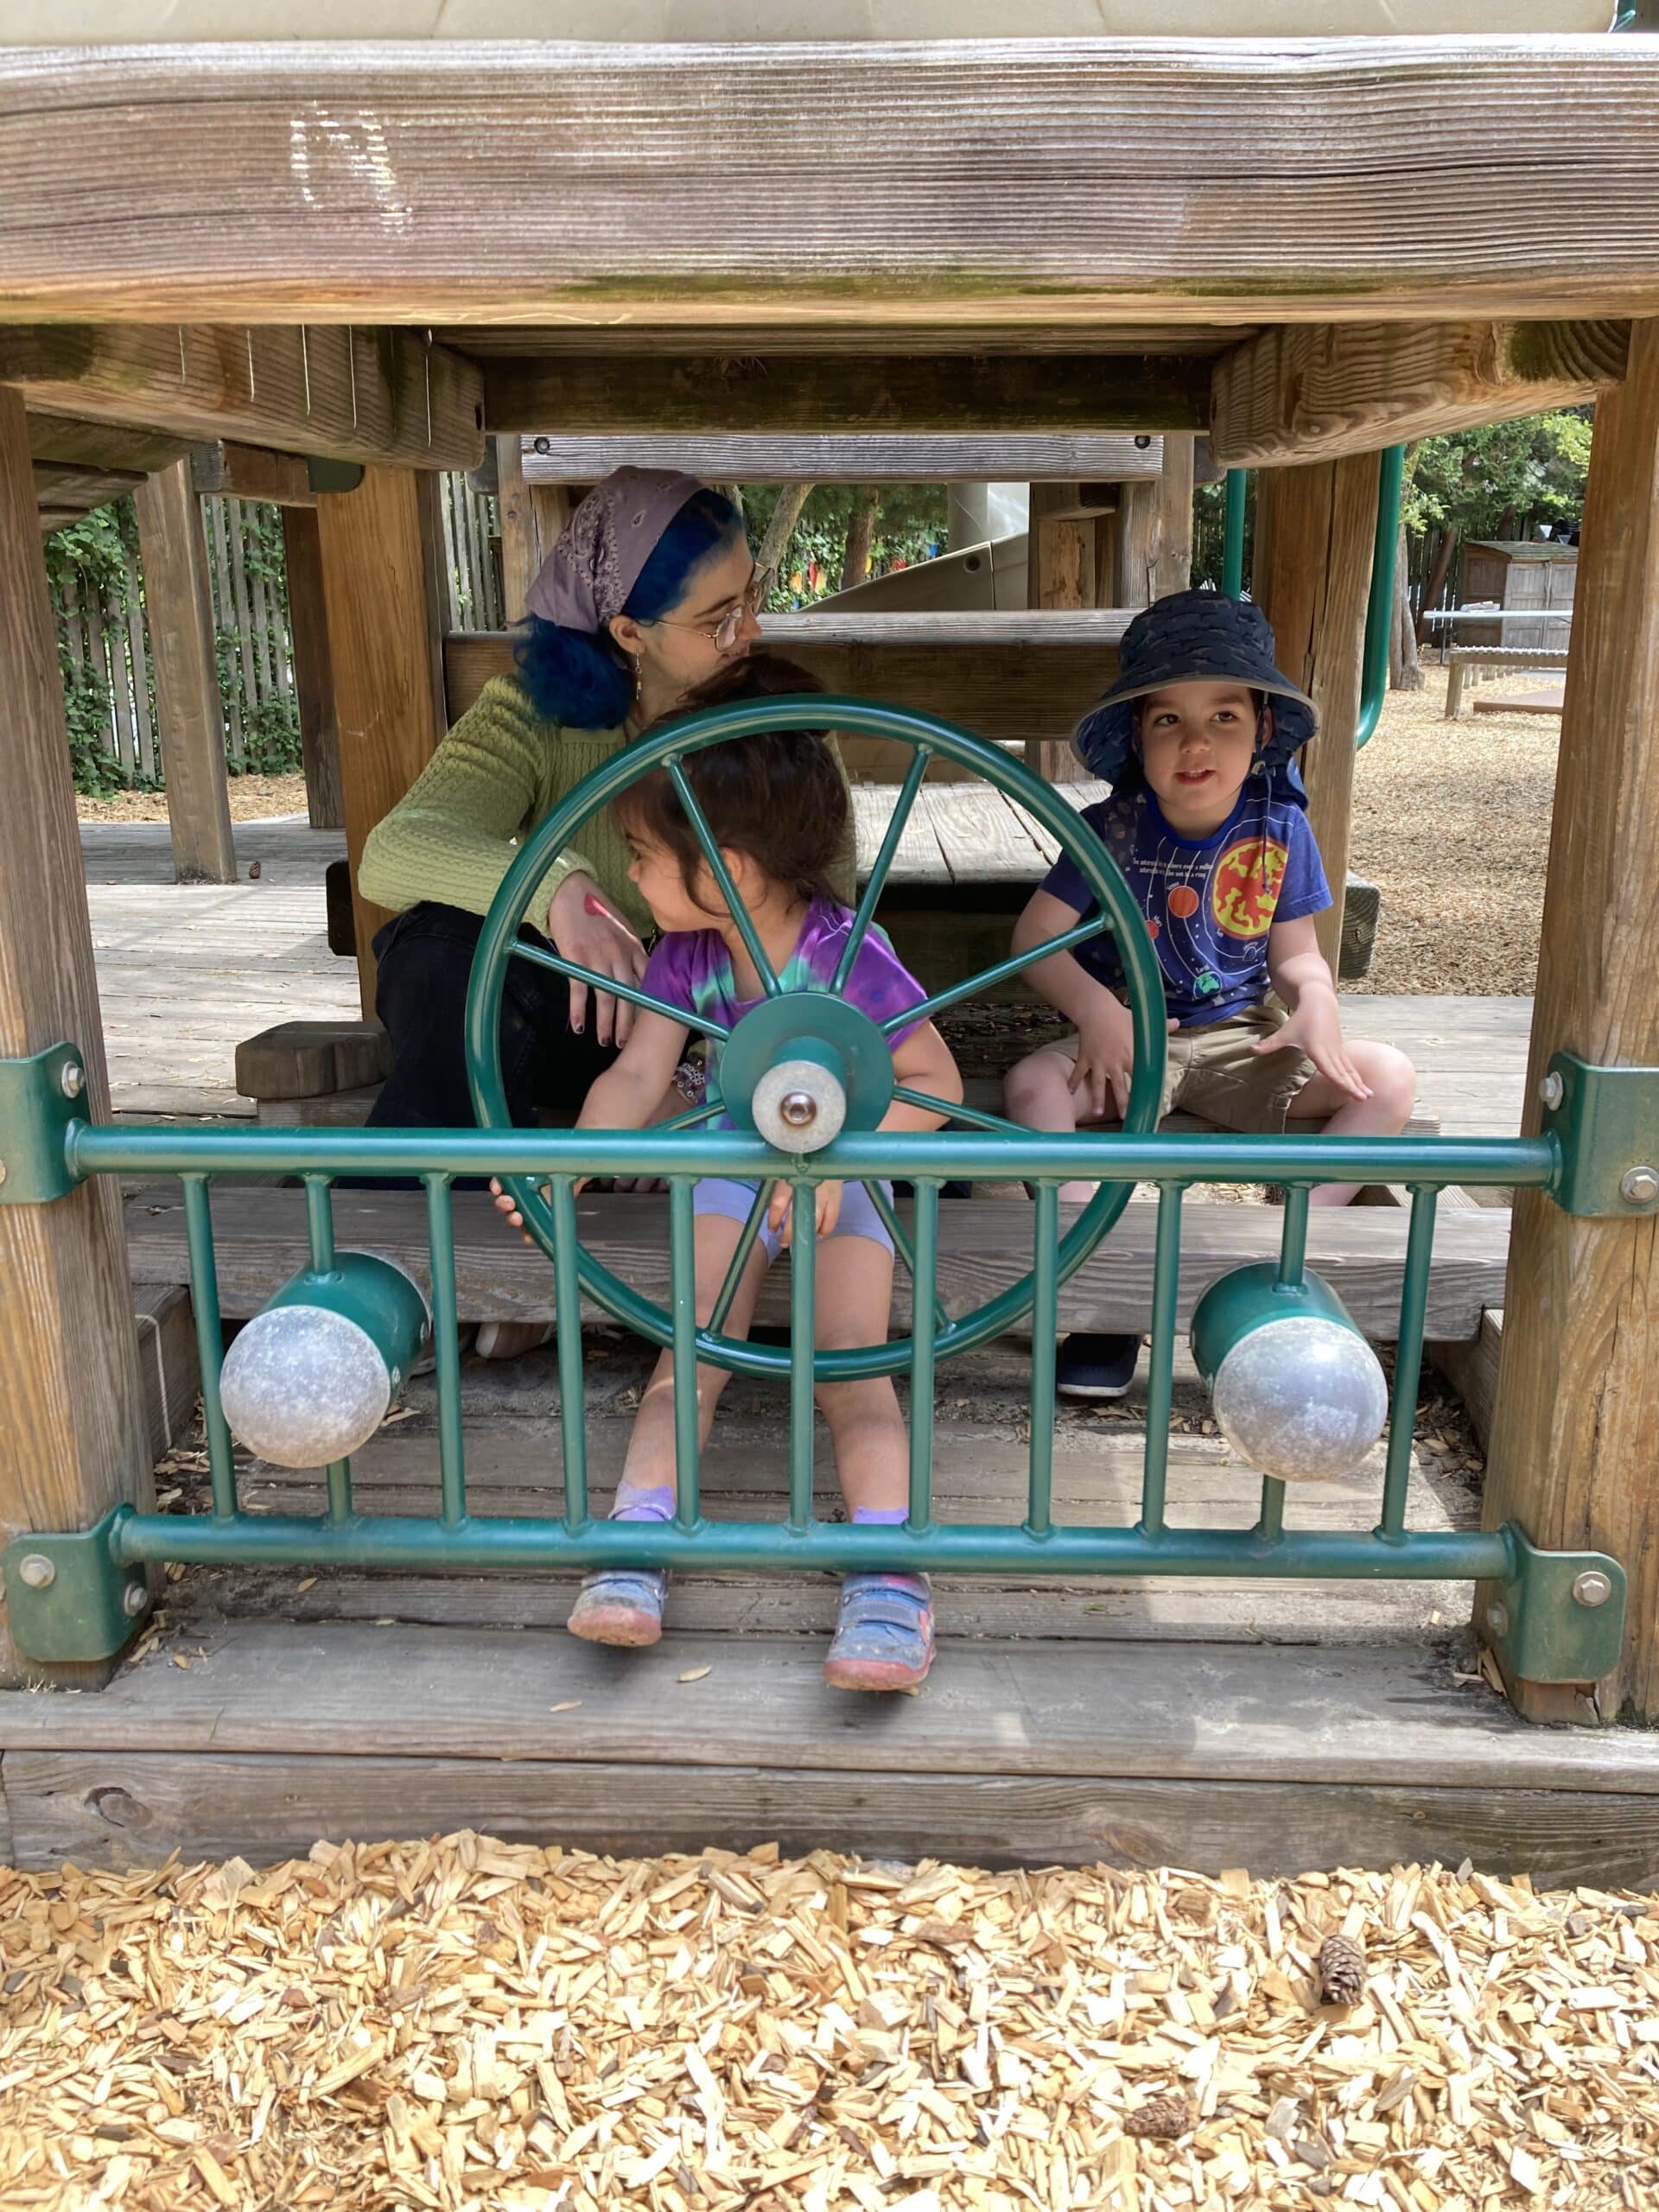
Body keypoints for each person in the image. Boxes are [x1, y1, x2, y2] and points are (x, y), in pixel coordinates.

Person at [494, 656, 963, 1692]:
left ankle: (889, 1577)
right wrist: (567, 1163)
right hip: (730, 1170)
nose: (632, 878)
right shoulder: (684, 960)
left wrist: (842, 1149)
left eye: (644, 857)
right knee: (689, 1355)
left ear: (731, 863)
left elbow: (935, 1079)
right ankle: (637, 1543)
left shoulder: (852, 954)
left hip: (847, 1183)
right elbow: (638, 1073)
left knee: (853, 1369)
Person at [356, 467, 763, 1355]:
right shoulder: (530, 718)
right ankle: (384, 1273)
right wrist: (554, 886)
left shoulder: (780, 721)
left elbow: (823, 936)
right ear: (628, 633)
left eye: (752, 598)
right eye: (718, 617)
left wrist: (697, 1089)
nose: (752, 633)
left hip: (718, 1047)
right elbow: (393, 852)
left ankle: (463, 1288)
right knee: (437, 952)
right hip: (558, 1037)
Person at [1002, 589, 1416, 1402]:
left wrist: (1317, 1002)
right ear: (1137, 736)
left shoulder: (1280, 827)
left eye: (1223, 717)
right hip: (1126, 1045)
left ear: (1261, 728)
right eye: (1168, 721)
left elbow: (1296, 955)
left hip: (1241, 1039)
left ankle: (1283, 1255)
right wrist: (1095, 1010)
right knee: (1030, 1086)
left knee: (1391, 1080)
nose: (1196, 743)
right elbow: (1030, 943)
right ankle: (1107, 1282)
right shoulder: (1110, 828)